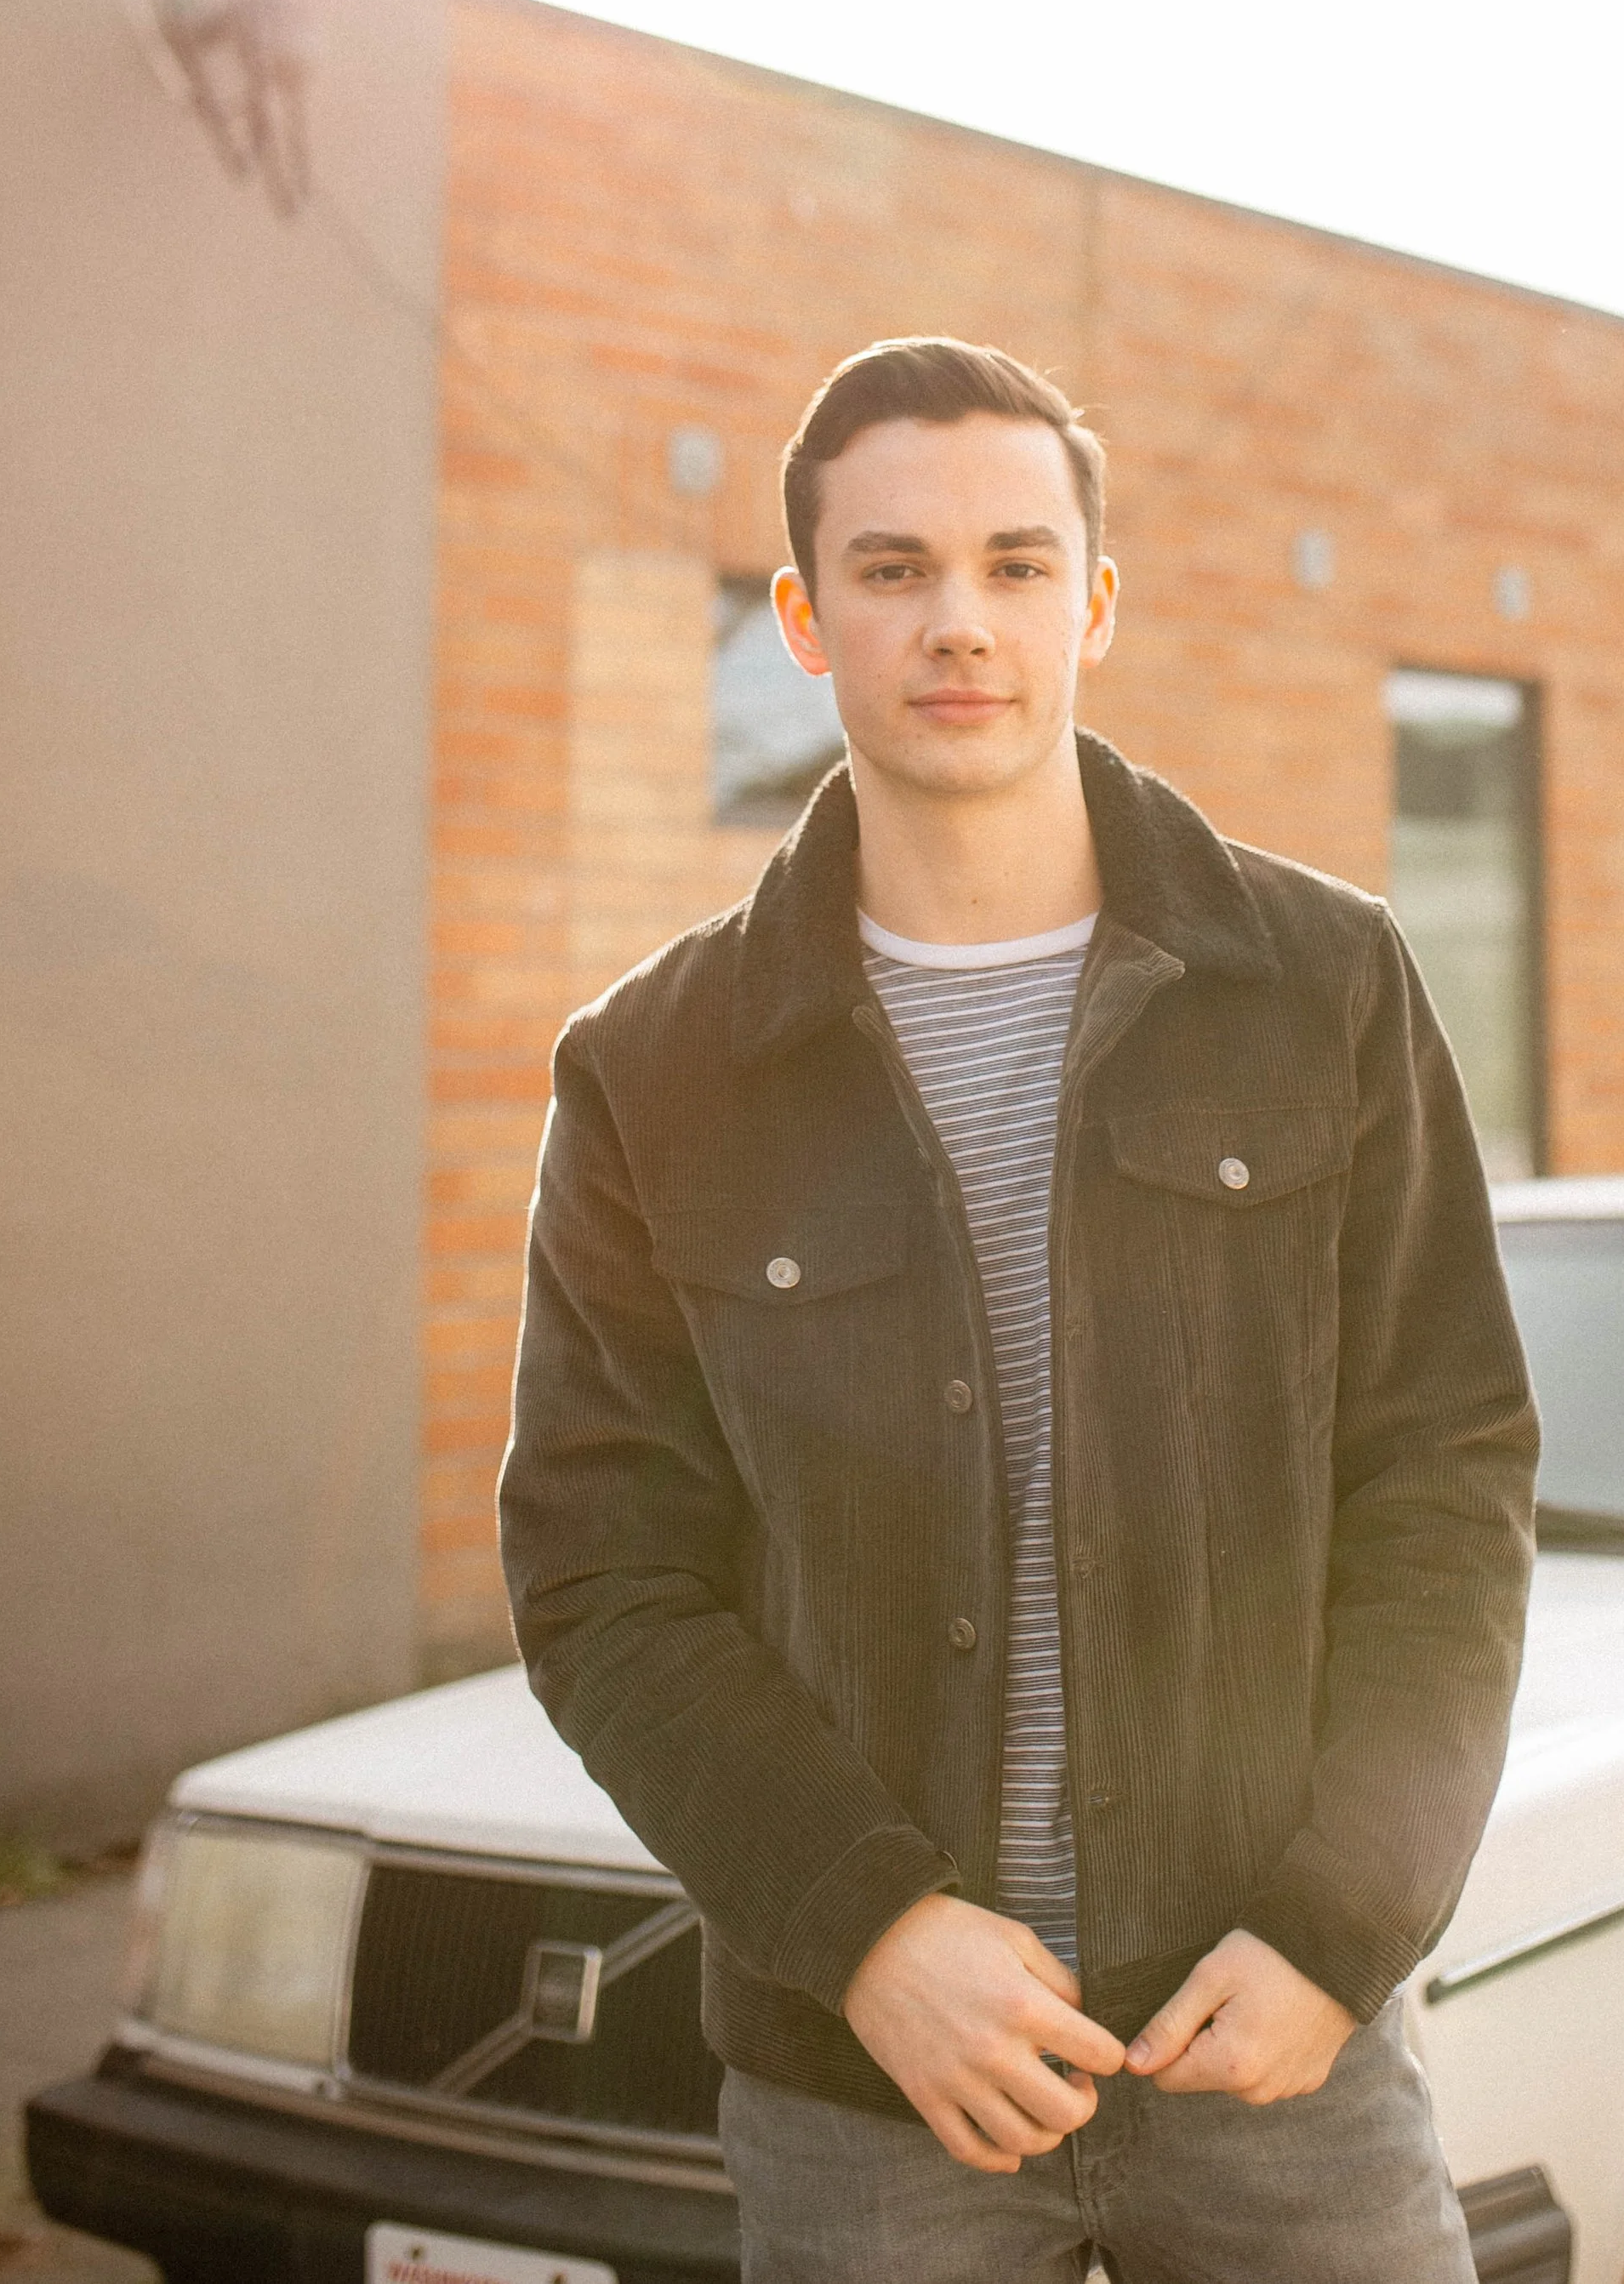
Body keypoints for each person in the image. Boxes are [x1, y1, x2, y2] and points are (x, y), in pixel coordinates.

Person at [499, 335, 1538, 2283]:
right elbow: (597, 1570)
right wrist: (870, 1929)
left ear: (1094, 599)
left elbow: (1447, 1485)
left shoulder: (1322, 986)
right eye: (889, 569)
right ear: (803, 619)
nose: (956, 621)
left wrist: (1337, 1925)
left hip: (1277, 2056)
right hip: (866, 2092)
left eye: (1012, 562)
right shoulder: (659, 1065)